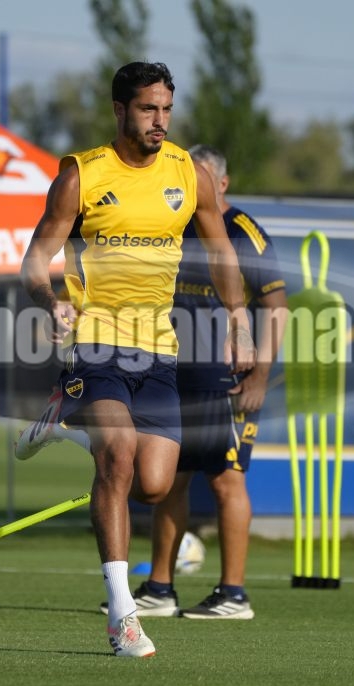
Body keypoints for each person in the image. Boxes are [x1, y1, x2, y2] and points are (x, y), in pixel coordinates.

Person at [19, 63, 256, 658]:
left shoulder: (190, 173)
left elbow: (222, 253)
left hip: (159, 351)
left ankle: (67, 421)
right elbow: (35, 259)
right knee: (118, 457)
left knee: (152, 485)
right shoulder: (81, 175)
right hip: (95, 343)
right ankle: (124, 615)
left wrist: (240, 319)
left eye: (166, 109)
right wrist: (50, 301)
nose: (160, 121)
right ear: (119, 109)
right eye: (149, 109)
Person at [116, 144, 288, 620]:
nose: (190, 184)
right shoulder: (175, 223)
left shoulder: (243, 231)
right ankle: (160, 588)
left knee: (226, 480)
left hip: (226, 380)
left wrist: (259, 375)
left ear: (222, 183)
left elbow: (277, 307)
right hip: (173, 375)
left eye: (201, 177)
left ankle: (233, 594)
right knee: (170, 481)